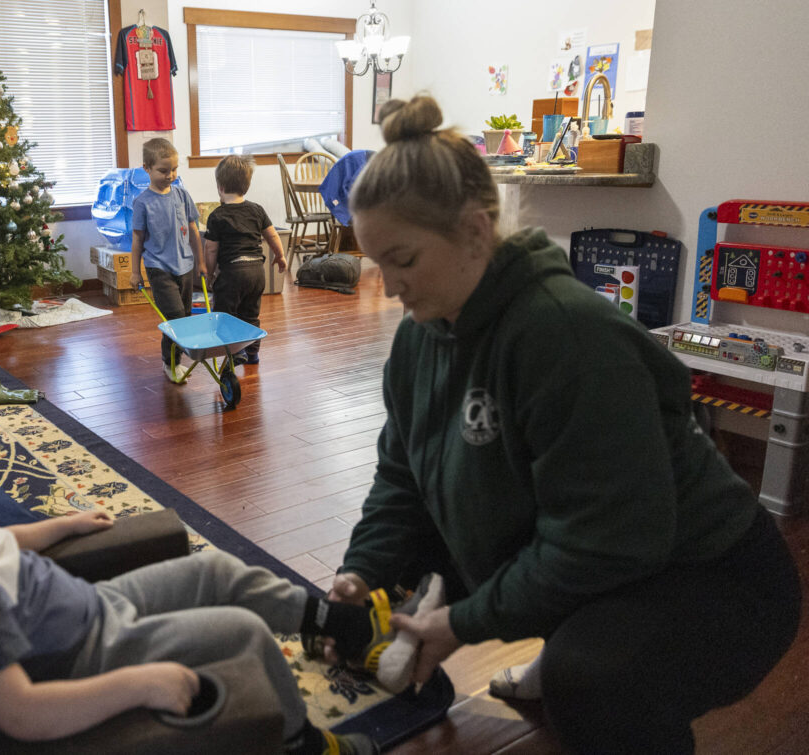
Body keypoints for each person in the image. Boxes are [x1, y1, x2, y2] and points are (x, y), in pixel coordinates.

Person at [325, 95, 801, 754]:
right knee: (409, 558)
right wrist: (361, 571)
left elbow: (608, 540)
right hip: (611, 553)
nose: (390, 284)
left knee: (591, 683)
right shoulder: (419, 338)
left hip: (711, 578)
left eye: (403, 259)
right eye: (378, 264)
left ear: (474, 229)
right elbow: (401, 476)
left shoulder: (565, 333)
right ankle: (573, 636)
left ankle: (586, 655)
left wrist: (462, 623)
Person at [0, 405, 403, 754]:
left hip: (97, 605)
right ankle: (300, 743)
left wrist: (62, 525)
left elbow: (3, 542)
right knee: (243, 633)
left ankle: (339, 627)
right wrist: (139, 685)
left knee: (216, 569)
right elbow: (19, 711)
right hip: (96, 653)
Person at [131, 137, 206, 384]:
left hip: (185, 266)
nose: (170, 175)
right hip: (158, 267)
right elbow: (138, 239)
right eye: (163, 170)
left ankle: (176, 359)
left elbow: (194, 231)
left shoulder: (182, 196)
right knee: (175, 318)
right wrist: (134, 272)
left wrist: (201, 262)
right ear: (147, 169)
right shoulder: (142, 202)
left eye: (174, 169)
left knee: (185, 316)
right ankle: (170, 363)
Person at [203, 155, 287, 365]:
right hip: (256, 272)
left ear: (220, 186)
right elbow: (272, 235)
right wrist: (280, 255)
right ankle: (252, 352)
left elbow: (211, 250)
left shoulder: (217, 216)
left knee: (225, 315)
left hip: (232, 272)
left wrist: (210, 273)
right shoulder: (256, 210)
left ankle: (235, 351)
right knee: (250, 313)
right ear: (246, 186)